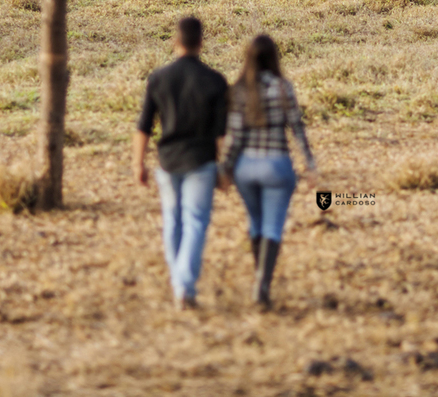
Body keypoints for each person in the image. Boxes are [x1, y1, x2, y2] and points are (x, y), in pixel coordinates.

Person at [133, 16, 228, 309]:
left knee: (172, 222)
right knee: (195, 222)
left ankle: (179, 283)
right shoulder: (216, 81)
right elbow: (221, 134)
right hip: (201, 161)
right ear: (201, 42)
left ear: (176, 41)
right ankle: (184, 286)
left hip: (168, 161)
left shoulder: (158, 78)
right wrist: (223, 167)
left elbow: (144, 126)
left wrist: (138, 163)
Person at [220, 34, 317, 308]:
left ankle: (259, 275)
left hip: (246, 167)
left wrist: (224, 169)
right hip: (277, 164)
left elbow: (234, 136)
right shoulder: (283, 87)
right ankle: (262, 284)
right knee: (273, 226)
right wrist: (310, 165)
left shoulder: (239, 90)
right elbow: (297, 129)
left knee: (255, 222)